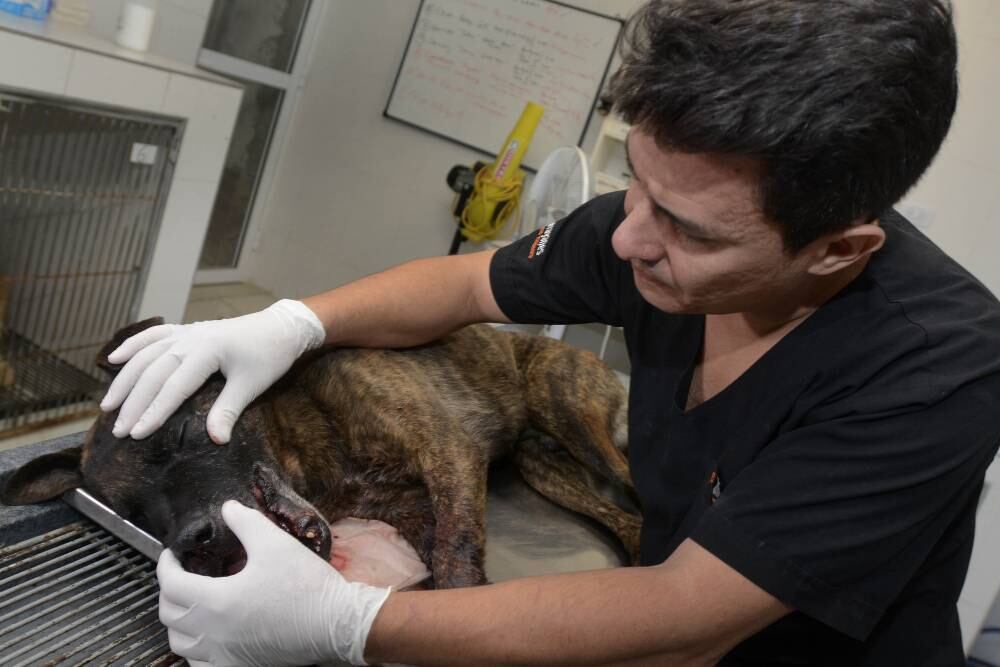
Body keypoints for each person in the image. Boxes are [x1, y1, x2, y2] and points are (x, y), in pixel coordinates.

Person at [100, 0, 1000, 664]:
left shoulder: (936, 371)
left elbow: (687, 620)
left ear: (837, 248)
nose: (624, 236)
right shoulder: (650, 232)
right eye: (637, 180)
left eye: (687, 226)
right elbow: (460, 283)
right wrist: (294, 321)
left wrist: (348, 624)